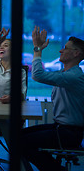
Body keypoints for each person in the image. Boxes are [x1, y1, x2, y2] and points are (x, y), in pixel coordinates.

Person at [21, 26, 84, 171]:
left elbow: (37, 75)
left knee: (19, 141)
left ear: (76, 53)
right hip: (61, 128)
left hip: (68, 133)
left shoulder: (73, 76)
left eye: (66, 48)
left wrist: (38, 49)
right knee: (16, 137)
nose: (60, 50)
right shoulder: (65, 73)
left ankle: (54, 169)